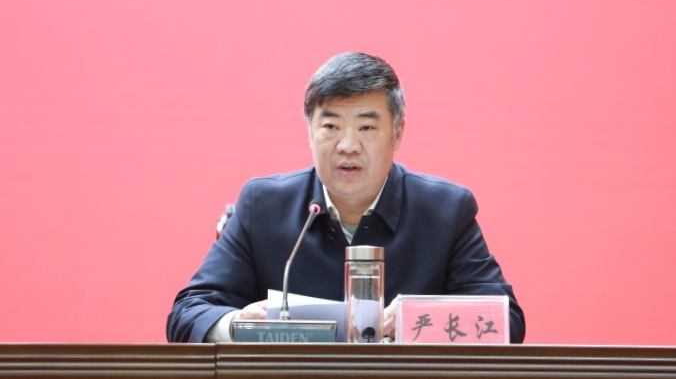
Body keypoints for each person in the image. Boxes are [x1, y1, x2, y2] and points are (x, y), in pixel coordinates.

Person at [166, 52, 526, 343]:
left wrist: (415, 320)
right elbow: (188, 313)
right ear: (310, 132)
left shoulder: (445, 211)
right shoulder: (263, 206)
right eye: (331, 126)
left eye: (367, 127)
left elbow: (506, 321)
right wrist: (238, 326)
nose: (348, 146)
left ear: (397, 133)